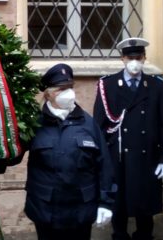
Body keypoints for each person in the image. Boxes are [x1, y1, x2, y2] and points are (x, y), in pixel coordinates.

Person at [18, 63, 116, 240]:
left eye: (70, 87)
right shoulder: (34, 124)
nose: (68, 93)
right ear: (48, 93)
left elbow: (104, 165)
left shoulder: (88, 124)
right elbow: (12, 155)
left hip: (80, 210)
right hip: (46, 209)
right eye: (61, 89)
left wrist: (106, 203)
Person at [93, 37, 163, 240]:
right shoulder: (108, 85)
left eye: (138, 57)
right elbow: (99, 125)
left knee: (144, 209)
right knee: (118, 206)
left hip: (147, 156)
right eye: (130, 57)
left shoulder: (156, 86)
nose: (134, 61)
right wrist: (100, 159)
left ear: (144, 58)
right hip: (117, 156)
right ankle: (119, 236)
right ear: (123, 58)